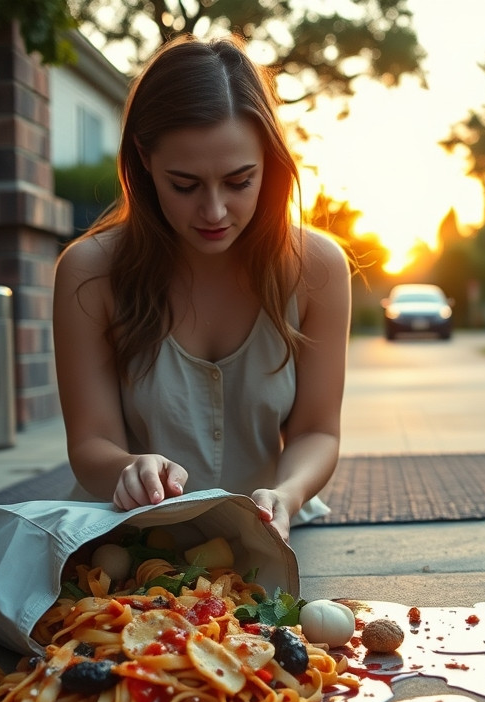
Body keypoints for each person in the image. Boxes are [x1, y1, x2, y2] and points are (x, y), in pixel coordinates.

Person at [52, 36, 351, 542]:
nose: (213, 212)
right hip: (130, 536)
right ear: (144, 159)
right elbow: (91, 443)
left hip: (271, 534)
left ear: (269, 162)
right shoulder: (89, 272)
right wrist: (128, 468)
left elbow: (316, 431)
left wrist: (290, 493)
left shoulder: (317, 267)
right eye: (184, 185)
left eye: (239, 182)